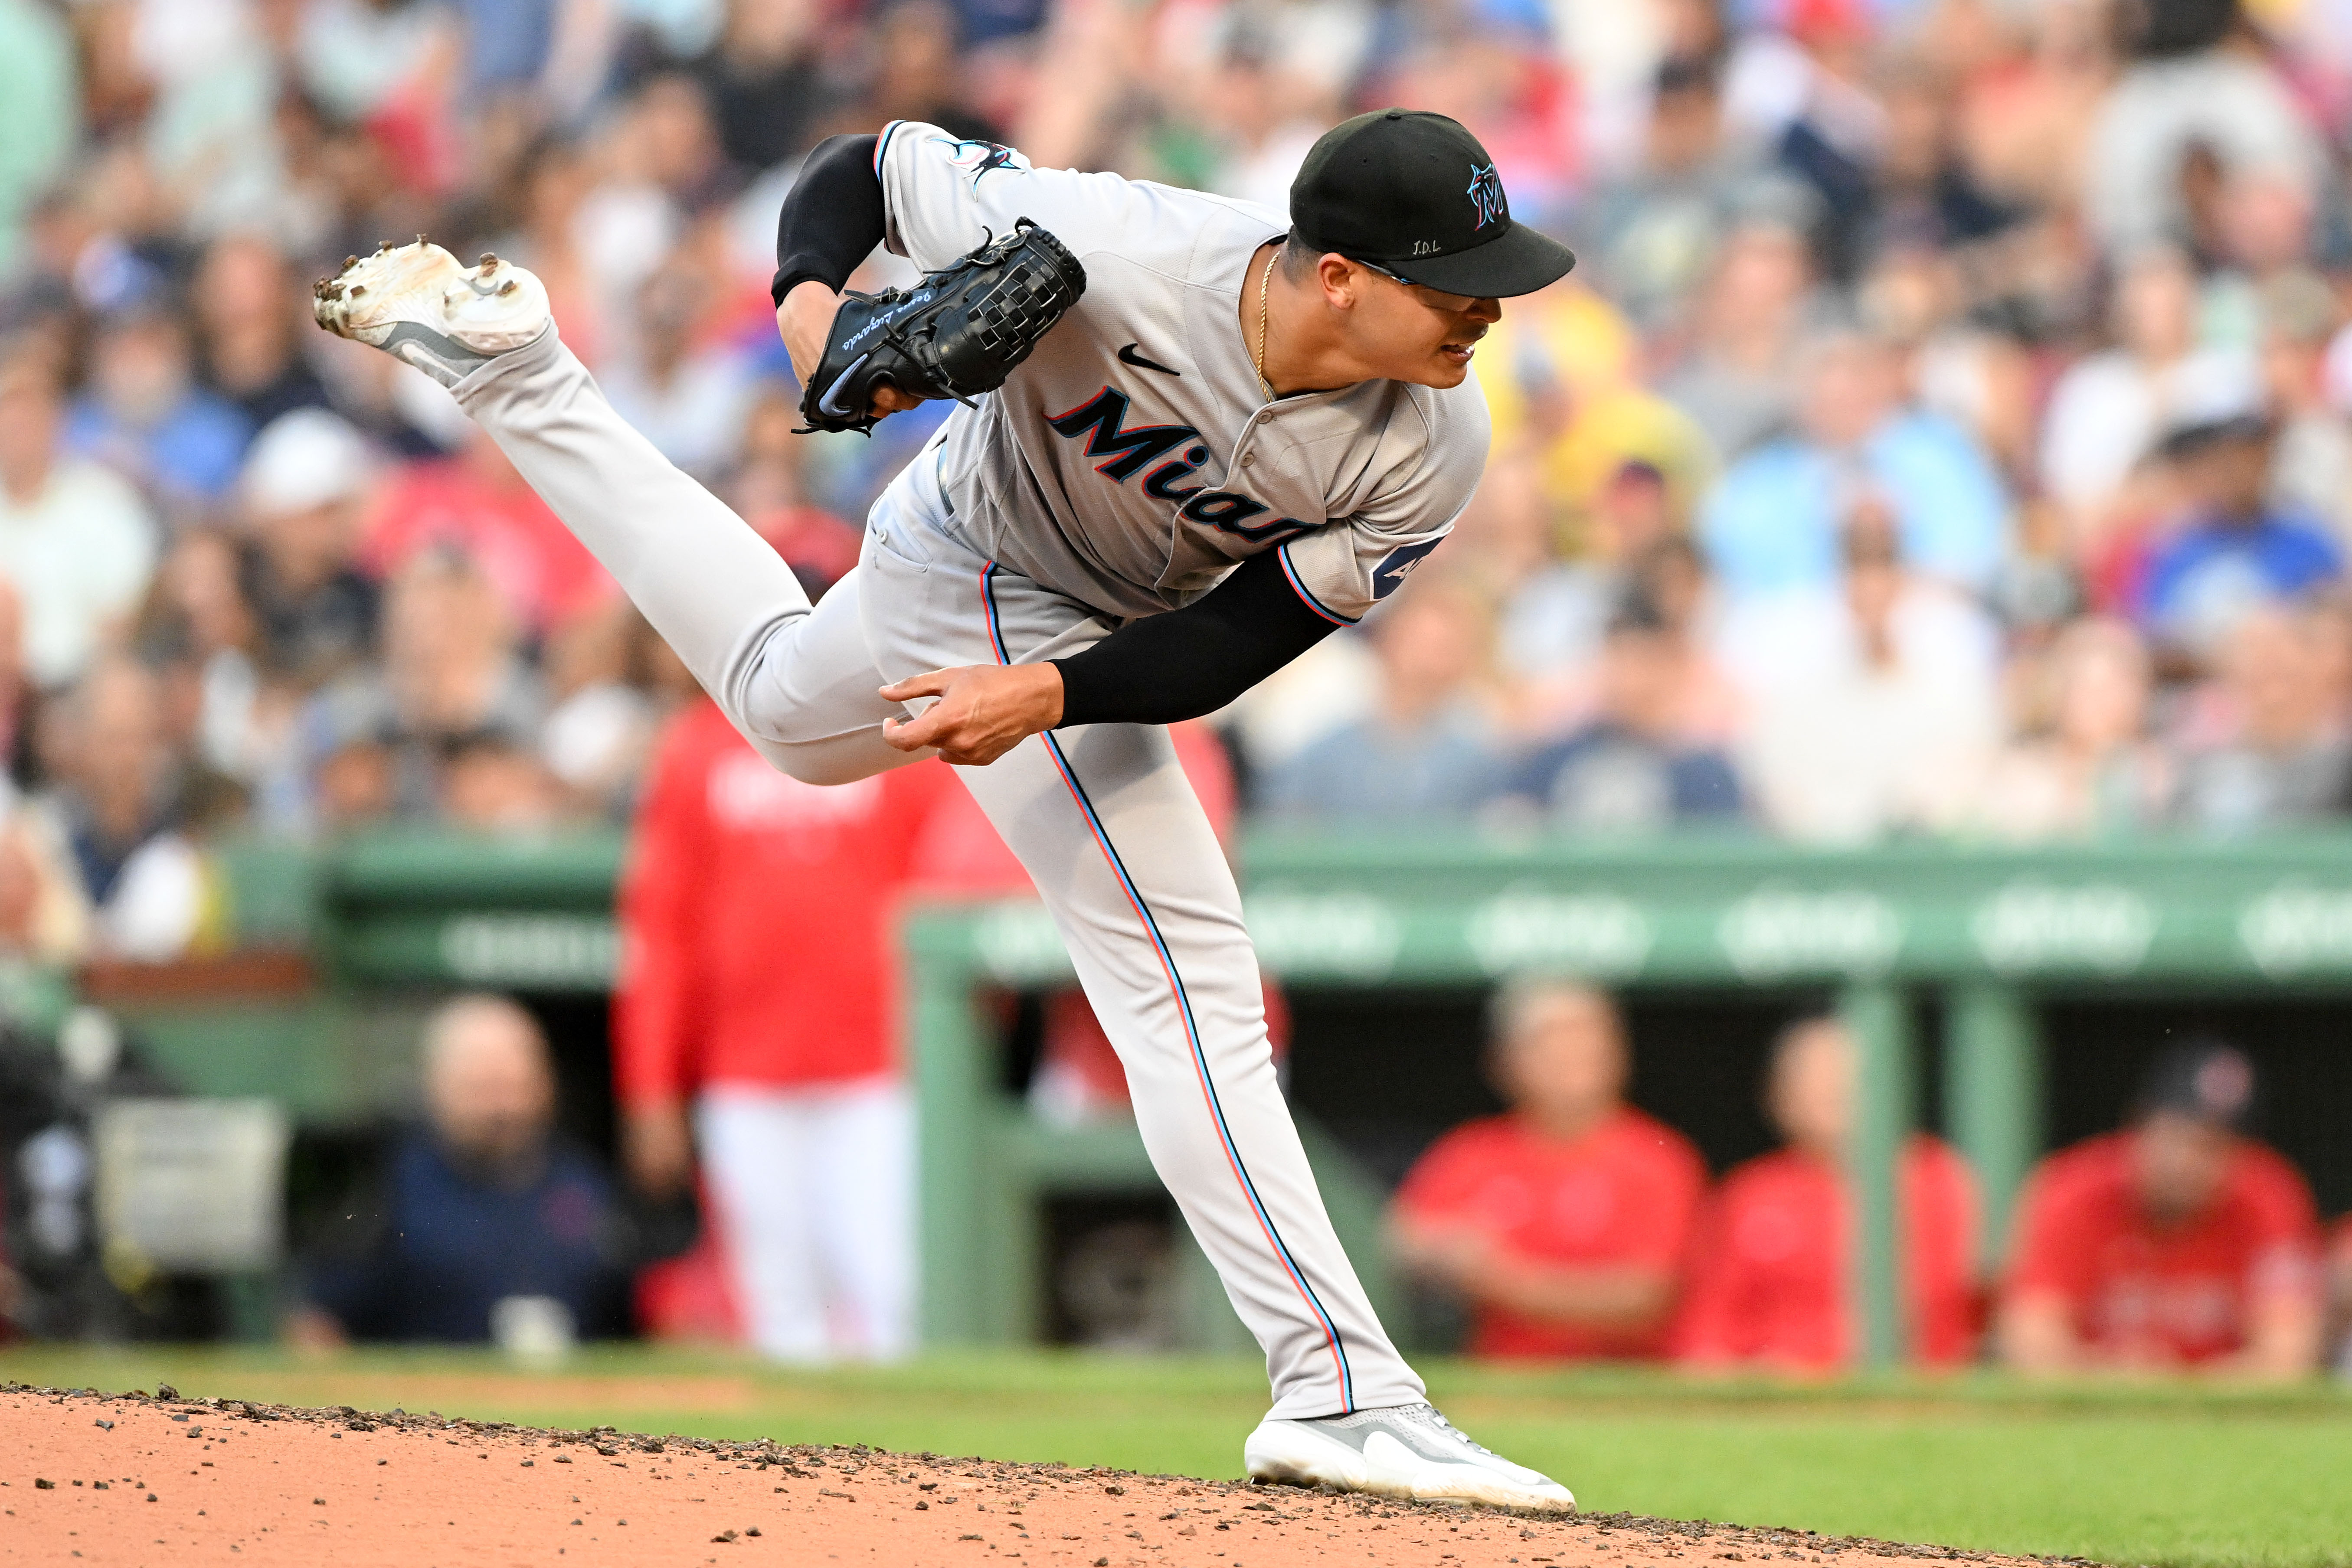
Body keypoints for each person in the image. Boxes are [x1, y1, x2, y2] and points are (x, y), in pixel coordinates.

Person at [313, 107, 1581, 1507]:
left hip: (1079, 634)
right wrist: (811, 319)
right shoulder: (1123, 243)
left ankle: (517, 372)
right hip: (975, 551)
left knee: (788, 713)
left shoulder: (1429, 451)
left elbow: (1233, 646)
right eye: (1455, 277)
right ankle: (1343, 1390)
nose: (1488, 305)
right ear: (1339, 273)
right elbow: (858, 168)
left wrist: (1042, 695)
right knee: (1185, 971)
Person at [615, 696, 949, 1361]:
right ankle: (794, 1470)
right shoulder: (696, 749)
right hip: (742, 1066)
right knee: (776, 1303)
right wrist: (651, 1086)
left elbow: (942, 888)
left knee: (890, 1288)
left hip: (880, 1065)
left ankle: (899, 1464)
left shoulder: (892, 735)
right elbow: (661, 929)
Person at [289, 994, 631, 1347]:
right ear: (435, 1086)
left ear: (545, 1085)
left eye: (511, 1086)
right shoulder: (386, 1187)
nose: (499, 1109)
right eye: (478, 1088)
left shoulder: (586, 1182)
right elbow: (319, 1326)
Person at [1390, 981, 1708, 1361]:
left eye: (1584, 1040)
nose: (1569, 1056)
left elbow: (1649, 1295)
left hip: (1626, 1384)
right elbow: (1403, 1240)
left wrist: (1509, 1281)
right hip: (1499, 1380)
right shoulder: (1472, 1152)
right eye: (1547, 1043)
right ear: (1503, 1060)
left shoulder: (1658, 1160)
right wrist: (1444, 1253)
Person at [1997, 1041, 2323, 1378]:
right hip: (2101, 1411)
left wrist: (2184, 1388)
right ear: (2139, 1125)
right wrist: (2113, 1375)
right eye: (2175, 1137)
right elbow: (2027, 1342)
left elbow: (2288, 1355)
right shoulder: (2075, 1189)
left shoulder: (2267, 1195)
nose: (2186, 1162)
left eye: (2210, 1146)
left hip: (2219, 1416)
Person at [1674, 1016, 1979, 1373]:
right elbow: (1705, 1333)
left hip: (1906, 1397)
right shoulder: (1749, 1193)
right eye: (1811, 1078)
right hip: (1770, 1403)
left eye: (1845, 1076)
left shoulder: (1940, 1179)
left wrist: (1813, 1365)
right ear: (1778, 1098)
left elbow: (1936, 1305)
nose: (1831, 1090)